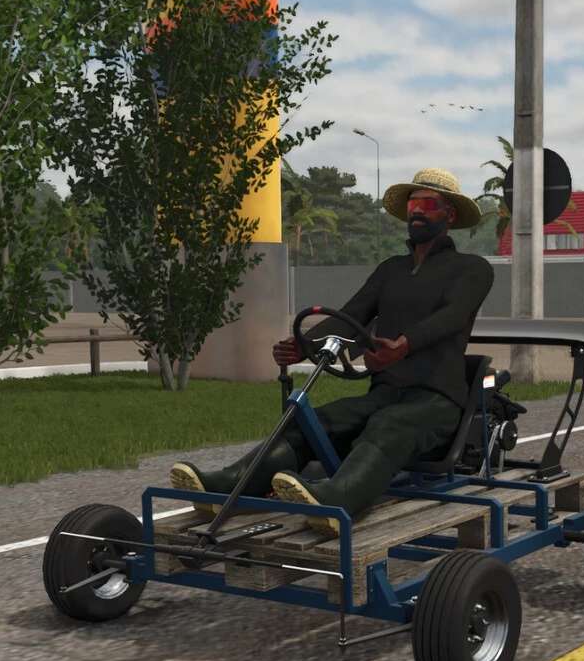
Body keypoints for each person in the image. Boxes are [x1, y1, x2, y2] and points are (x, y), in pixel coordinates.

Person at [170, 167, 494, 537]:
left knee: (389, 426)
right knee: (313, 420)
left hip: (437, 401)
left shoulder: (473, 269)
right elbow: (352, 316)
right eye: (412, 204)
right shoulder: (391, 269)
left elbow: (452, 316)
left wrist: (404, 345)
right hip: (385, 393)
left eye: (428, 204)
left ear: (449, 215)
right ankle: (230, 484)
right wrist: (303, 346)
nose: (417, 210)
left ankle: (336, 501)